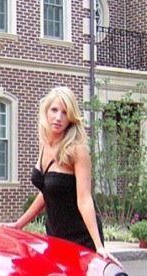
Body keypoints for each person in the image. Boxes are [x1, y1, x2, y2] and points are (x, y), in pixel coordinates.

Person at [10, 86, 109, 258]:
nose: (58, 117)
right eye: (54, 110)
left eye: (65, 112)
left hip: (80, 238)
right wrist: (19, 224)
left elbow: (84, 199)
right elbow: (47, 191)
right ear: (46, 111)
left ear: (71, 117)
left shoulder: (77, 150)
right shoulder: (45, 144)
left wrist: (99, 246)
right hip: (55, 236)